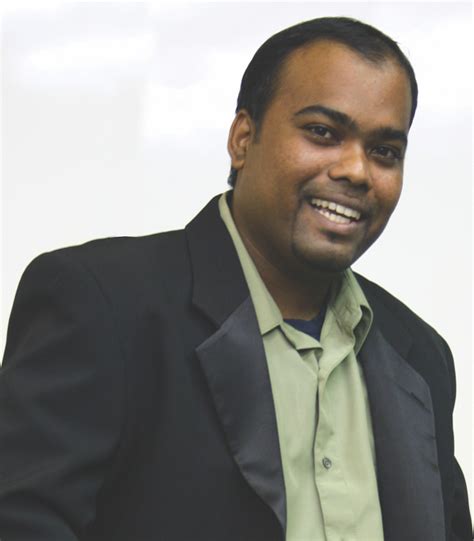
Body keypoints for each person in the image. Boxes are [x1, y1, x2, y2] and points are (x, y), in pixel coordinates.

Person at [0, 16, 471, 541]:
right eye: (322, 132)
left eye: (384, 151)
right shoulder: (101, 304)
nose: (356, 171)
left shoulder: (421, 357)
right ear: (243, 139)